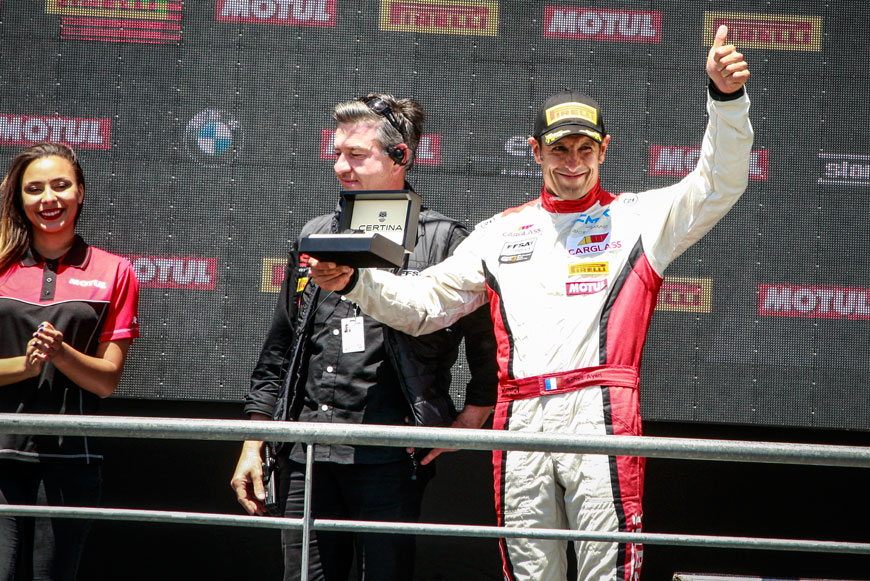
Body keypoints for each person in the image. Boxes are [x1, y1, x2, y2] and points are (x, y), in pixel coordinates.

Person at [309, 26, 752, 581]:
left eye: (585, 149)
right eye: (559, 149)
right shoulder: (501, 231)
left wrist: (726, 100)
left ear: (604, 149)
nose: (573, 162)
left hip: (598, 411)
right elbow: (425, 304)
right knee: (528, 570)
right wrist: (355, 282)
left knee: (607, 569)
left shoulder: (640, 218)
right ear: (536, 151)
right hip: (519, 415)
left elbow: (719, 181)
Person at [230, 93, 498, 581]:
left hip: (391, 453)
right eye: (337, 153)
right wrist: (254, 441)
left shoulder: (443, 239)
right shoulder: (315, 235)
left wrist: (471, 417)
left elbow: (489, 345)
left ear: (401, 156)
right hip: (306, 451)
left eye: (356, 155)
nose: (340, 166)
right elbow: (280, 349)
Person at [0, 142, 140, 580]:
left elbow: (106, 382)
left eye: (61, 185)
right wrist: (26, 366)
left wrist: (61, 354)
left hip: (71, 461)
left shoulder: (115, 271)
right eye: (34, 189)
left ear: (80, 191)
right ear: (19, 198)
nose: (49, 198)